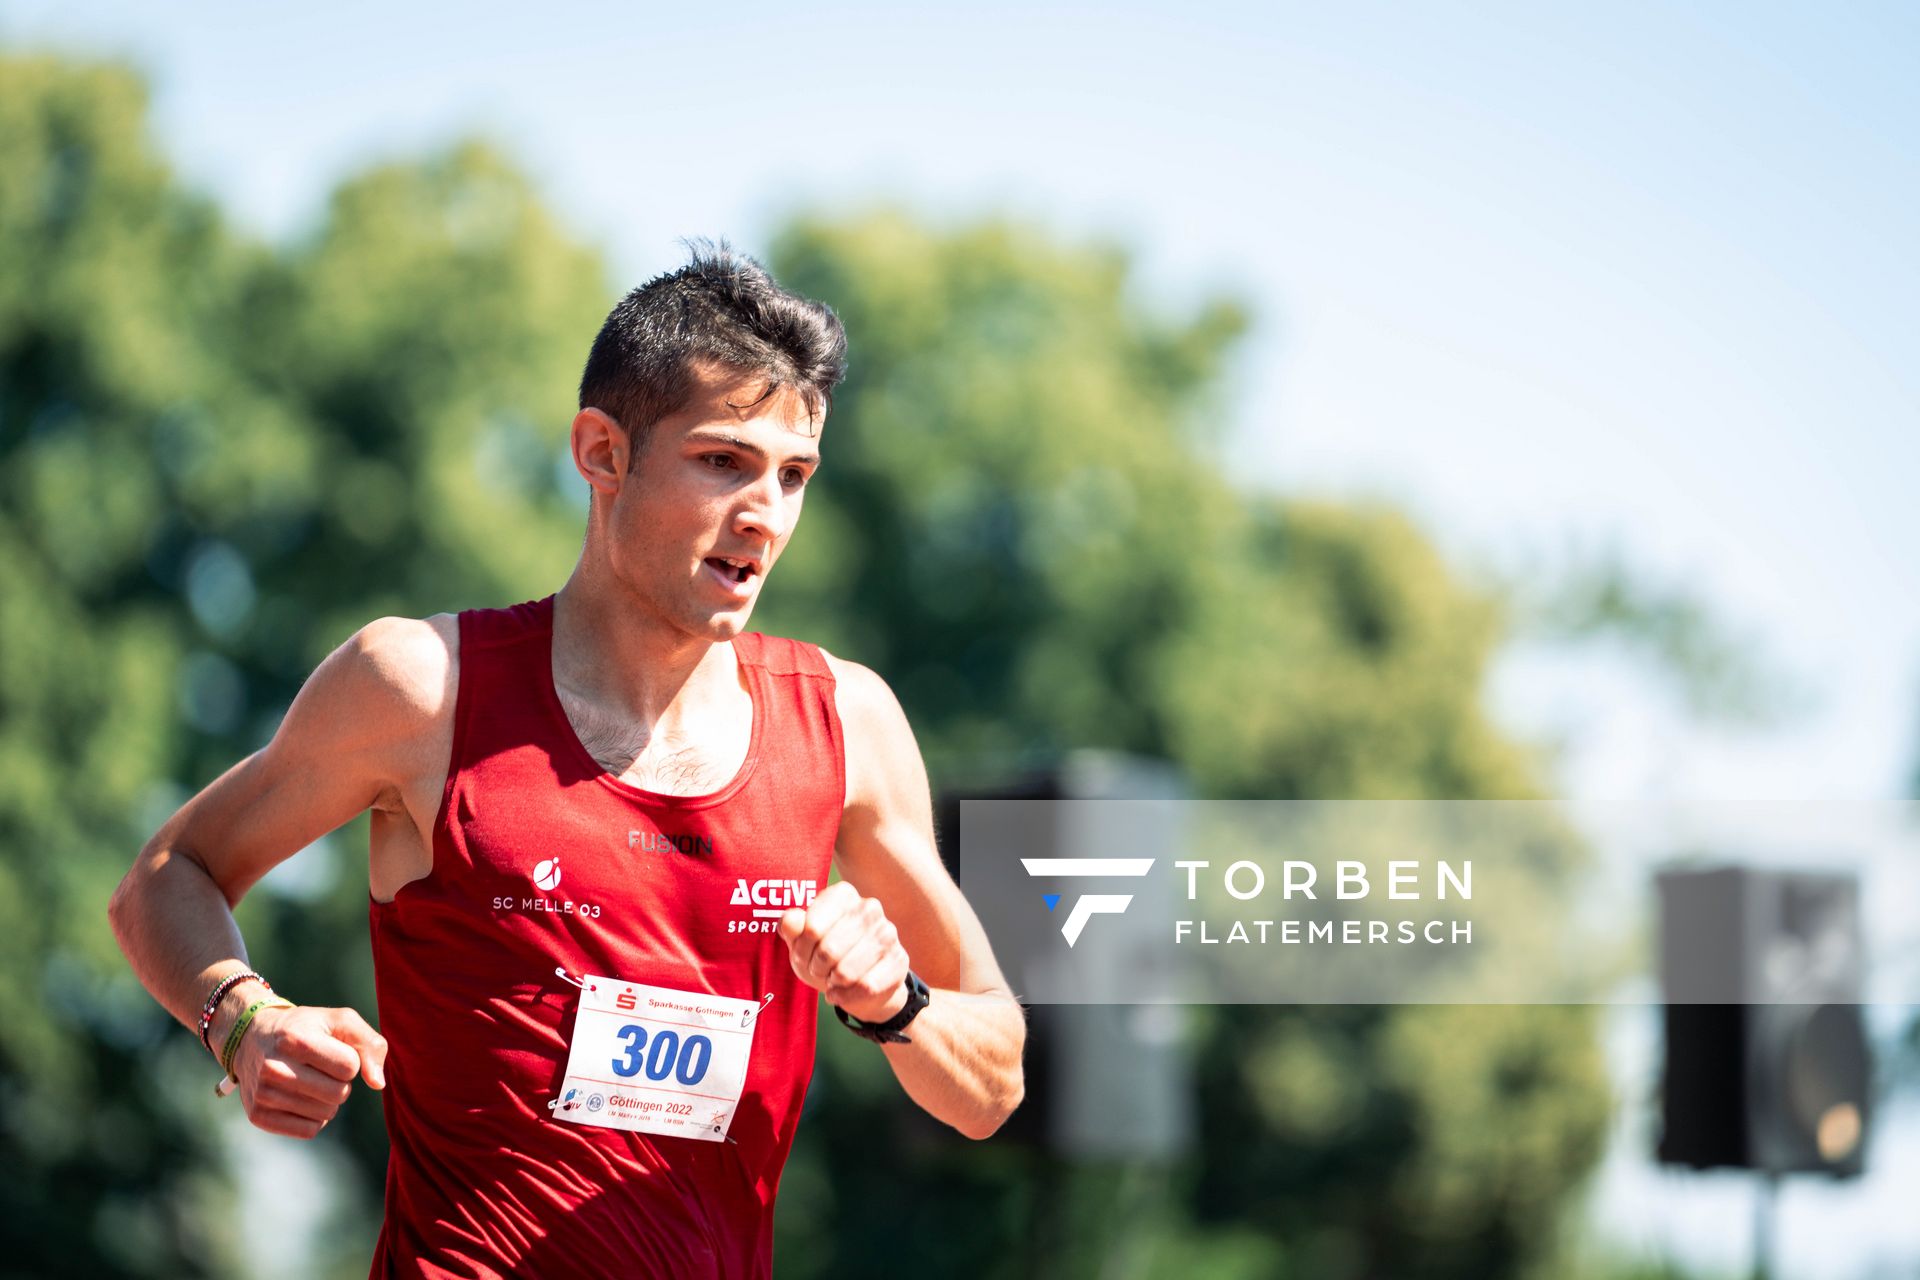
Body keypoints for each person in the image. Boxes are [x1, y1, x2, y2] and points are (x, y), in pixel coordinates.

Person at [108, 242, 1027, 1278]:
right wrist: (245, 1017)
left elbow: (994, 1077)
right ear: (602, 451)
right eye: (724, 460)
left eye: (794, 474)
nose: (765, 514)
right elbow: (163, 876)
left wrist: (894, 1000)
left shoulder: (846, 722)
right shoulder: (422, 688)